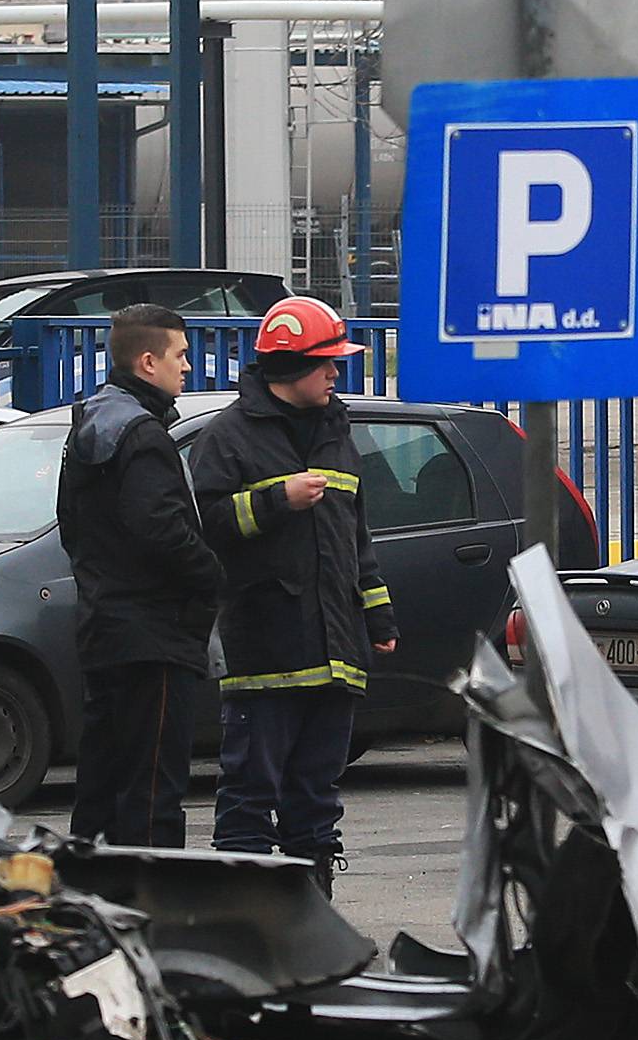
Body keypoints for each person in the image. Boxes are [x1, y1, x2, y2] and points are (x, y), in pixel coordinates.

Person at [189, 296, 397, 894]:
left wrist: (378, 614)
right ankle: (248, 922)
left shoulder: (337, 433)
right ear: (288, 367)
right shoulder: (228, 439)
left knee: (317, 797)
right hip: (266, 653)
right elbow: (204, 525)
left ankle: (312, 918)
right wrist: (276, 499)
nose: (336, 374)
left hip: (337, 651)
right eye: (326, 363)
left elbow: (355, 536)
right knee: (250, 795)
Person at [55, 304, 224, 849]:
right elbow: (162, 529)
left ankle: (91, 905)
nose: (188, 368)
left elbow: (72, 526)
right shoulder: (143, 436)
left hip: (106, 627)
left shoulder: (91, 425)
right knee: (153, 789)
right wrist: (211, 578)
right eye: (179, 355)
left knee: (101, 784)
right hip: (155, 636)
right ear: (148, 362)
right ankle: (150, 913)